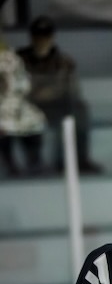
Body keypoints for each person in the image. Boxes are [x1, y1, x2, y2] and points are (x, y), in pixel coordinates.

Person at [16, 16, 103, 175]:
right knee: (21, 112)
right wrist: (40, 92)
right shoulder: (19, 60)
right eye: (38, 36)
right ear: (32, 37)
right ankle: (34, 161)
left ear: (52, 38)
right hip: (28, 106)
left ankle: (78, 159)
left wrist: (45, 92)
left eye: (46, 36)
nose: (42, 41)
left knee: (79, 109)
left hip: (56, 105)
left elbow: (72, 89)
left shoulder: (64, 61)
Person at [0, 37, 46, 177]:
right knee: (4, 125)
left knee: (35, 120)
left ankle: (34, 162)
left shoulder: (13, 59)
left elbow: (23, 83)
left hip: (15, 102)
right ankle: (10, 165)